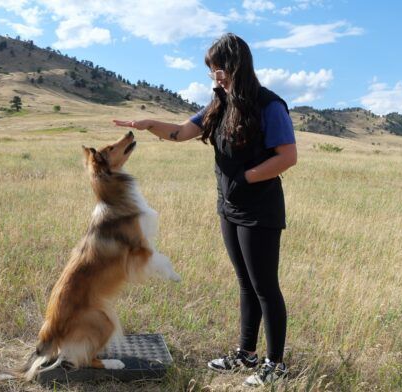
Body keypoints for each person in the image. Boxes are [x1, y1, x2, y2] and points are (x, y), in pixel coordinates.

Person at [113, 33, 297, 387]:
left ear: (238, 65)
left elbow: (287, 157)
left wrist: (246, 177)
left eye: (221, 68)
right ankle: (246, 354)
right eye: (212, 70)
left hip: (259, 210)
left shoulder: (269, 105)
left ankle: (276, 364)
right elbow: (181, 132)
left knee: (265, 287)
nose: (216, 76)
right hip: (229, 207)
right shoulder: (220, 103)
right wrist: (149, 124)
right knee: (245, 283)